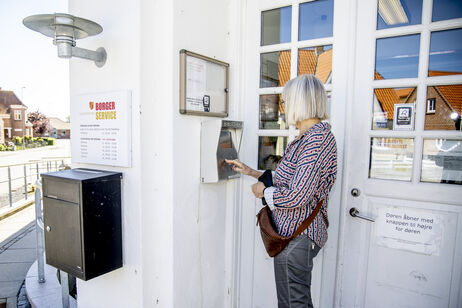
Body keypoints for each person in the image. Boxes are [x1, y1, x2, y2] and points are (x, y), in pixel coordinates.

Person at [226, 74, 337, 308]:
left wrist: (262, 193)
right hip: (294, 235)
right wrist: (251, 172)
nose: (283, 107)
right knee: (293, 301)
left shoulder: (316, 139)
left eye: (285, 101)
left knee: (293, 304)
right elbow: (290, 179)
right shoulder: (306, 137)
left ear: (300, 102)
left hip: (298, 236)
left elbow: (298, 195)